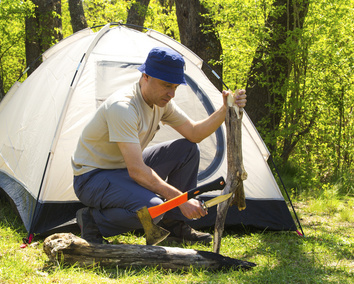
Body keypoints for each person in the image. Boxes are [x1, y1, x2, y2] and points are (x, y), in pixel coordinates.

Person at [71, 46, 247, 244]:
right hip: (92, 177)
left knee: (187, 150)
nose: (171, 94)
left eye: (175, 87)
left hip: (123, 169)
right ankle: (92, 221)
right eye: (166, 85)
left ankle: (174, 226)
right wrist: (182, 199)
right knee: (154, 210)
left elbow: (195, 133)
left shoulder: (160, 103)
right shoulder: (123, 107)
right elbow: (137, 171)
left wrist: (225, 109)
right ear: (146, 76)